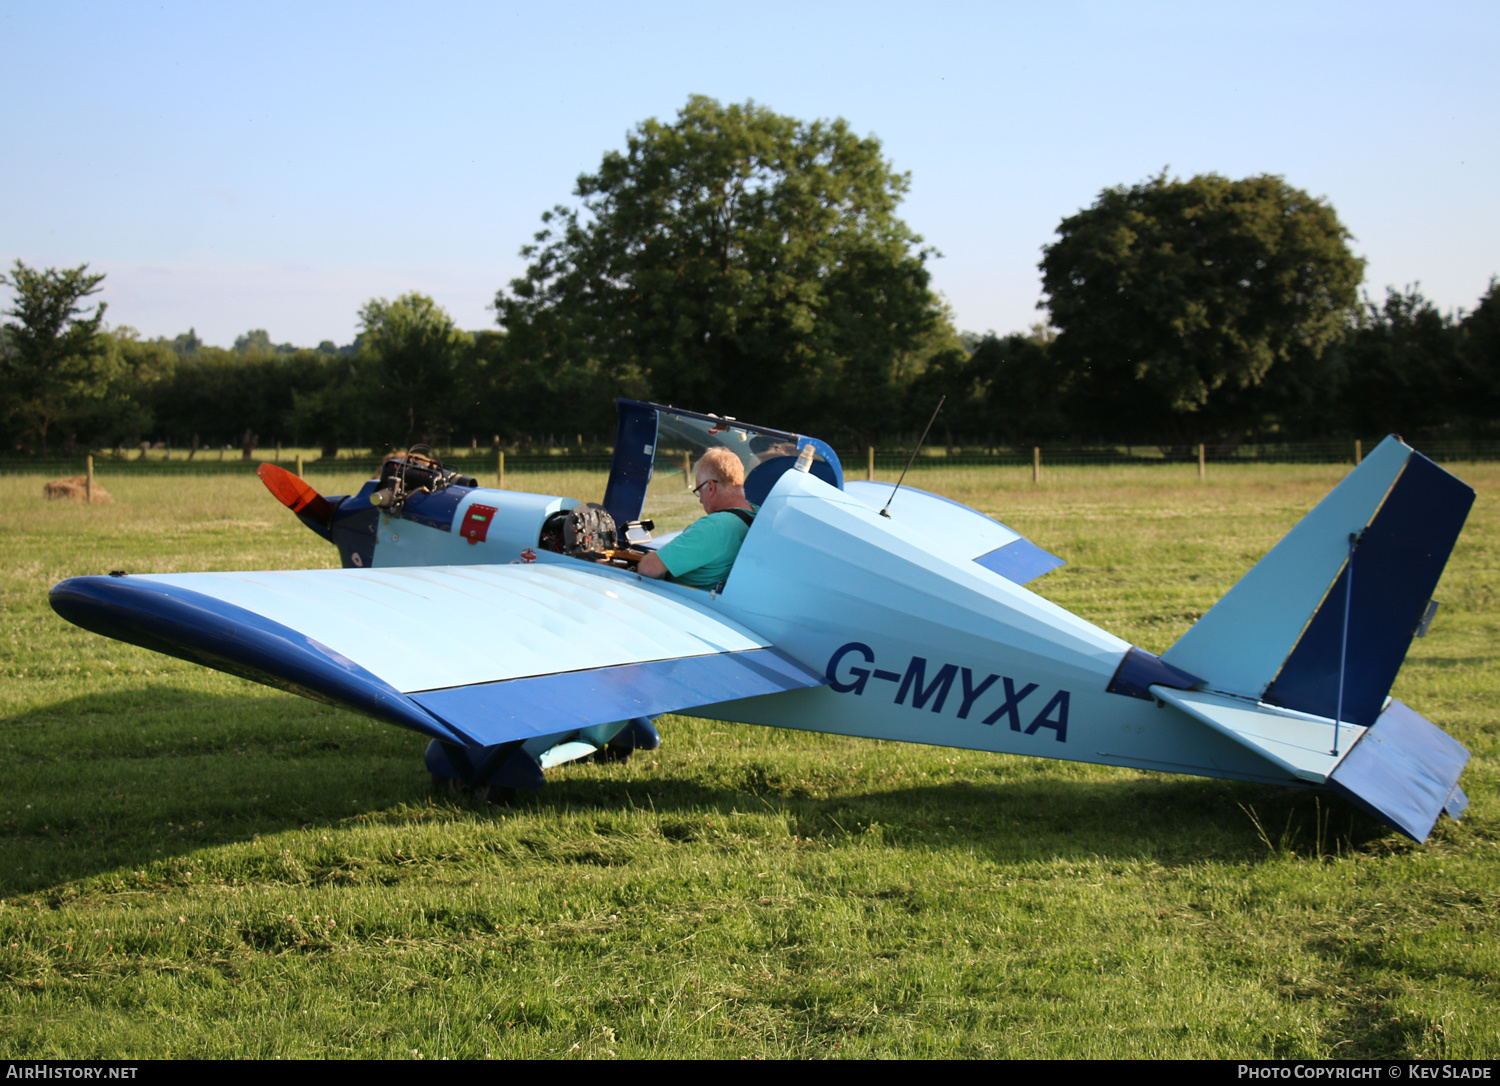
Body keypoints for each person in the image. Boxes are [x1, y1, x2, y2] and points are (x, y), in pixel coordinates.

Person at [637, 447, 756, 589]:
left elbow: (648, 568)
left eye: (699, 491)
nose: (700, 501)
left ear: (711, 487)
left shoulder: (715, 526)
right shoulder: (758, 514)